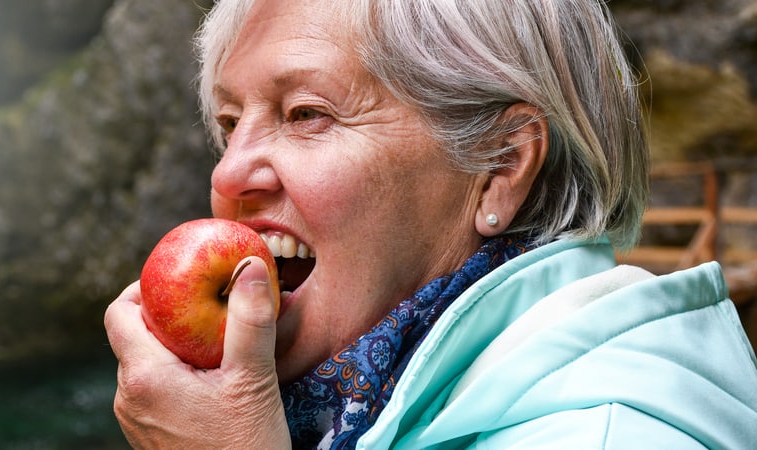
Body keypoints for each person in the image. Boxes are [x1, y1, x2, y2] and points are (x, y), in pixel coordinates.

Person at [103, 0, 757, 448]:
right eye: (228, 122)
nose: (227, 174)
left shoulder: (613, 435)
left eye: (306, 113)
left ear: (501, 165)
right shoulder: (360, 401)